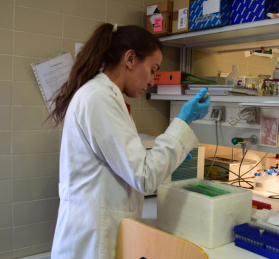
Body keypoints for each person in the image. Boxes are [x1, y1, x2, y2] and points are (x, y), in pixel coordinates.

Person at [46, 23, 210, 258]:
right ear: (130, 59)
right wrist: (183, 121)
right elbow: (144, 176)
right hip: (93, 241)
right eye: (153, 69)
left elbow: (129, 163)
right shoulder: (99, 97)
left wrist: (177, 149)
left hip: (100, 231)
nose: (152, 80)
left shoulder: (104, 95)